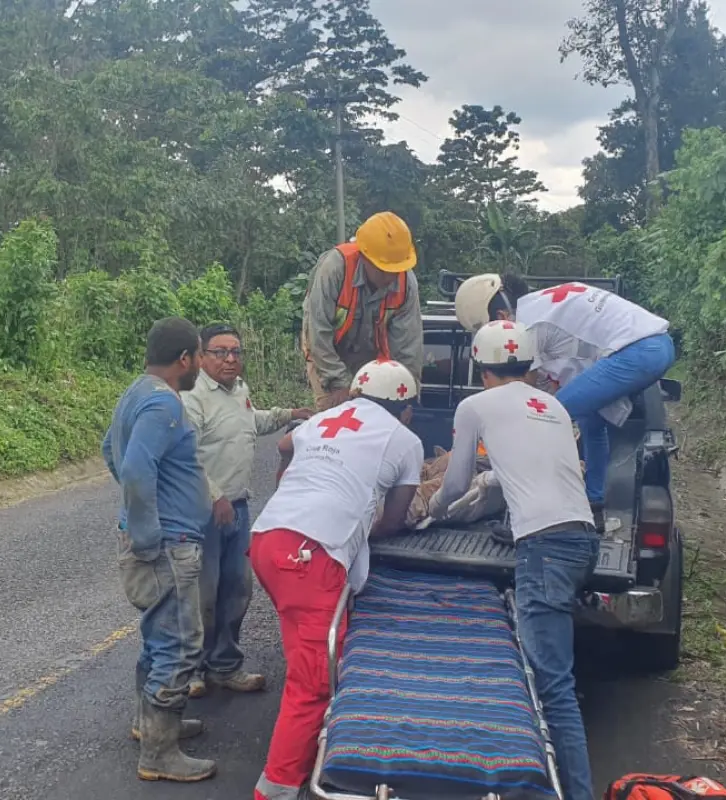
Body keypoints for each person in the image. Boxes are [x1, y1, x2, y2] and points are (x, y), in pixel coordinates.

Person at [427, 320, 598, 800]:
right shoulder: (555, 406)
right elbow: (529, 470)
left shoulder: (475, 405)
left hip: (544, 548)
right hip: (582, 539)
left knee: (555, 689)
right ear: (526, 364)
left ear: (481, 367)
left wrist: (430, 515)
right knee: (552, 670)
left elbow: (457, 483)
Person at [249, 358, 424, 800]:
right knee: (314, 682)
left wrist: (286, 481)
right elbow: (394, 521)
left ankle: (309, 750)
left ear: (357, 396)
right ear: (406, 409)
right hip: (311, 553)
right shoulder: (405, 440)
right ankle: (278, 788)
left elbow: (286, 442)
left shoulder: (326, 417)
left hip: (269, 539)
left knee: (305, 654)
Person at [453, 274, 675, 532]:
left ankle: (518, 517)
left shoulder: (525, 328)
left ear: (502, 316)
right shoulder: (538, 305)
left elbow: (520, 390)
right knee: (591, 422)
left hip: (638, 351)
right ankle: (595, 502)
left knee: (542, 420)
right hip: (655, 345)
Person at [101, 316, 215, 784]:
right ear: (185, 358)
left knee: (156, 636)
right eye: (200, 356)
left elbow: (111, 449)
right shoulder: (163, 405)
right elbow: (132, 467)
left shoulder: (136, 392)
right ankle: (159, 751)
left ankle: (148, 724)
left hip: (159, 537)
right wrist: (148, 531)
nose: (201, 367)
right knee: (180, 643)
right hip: (167, 543)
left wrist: (140, 512)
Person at [180, 323, 313, 699]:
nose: (230, 359)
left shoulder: (239, 391)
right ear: (202, 356)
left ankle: (224, 665)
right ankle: (189, 671)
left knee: (237, 589)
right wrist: (215, 497)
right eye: (220, 352)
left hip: (237, 507)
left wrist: (289, 414)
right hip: (202, 512)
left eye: (236, 352)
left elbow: (248, 423)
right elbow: (185, 457)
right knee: (199, 595)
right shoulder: (192, 397)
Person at [302, 211, 425, 411]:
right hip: (328, 353)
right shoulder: (334, 269)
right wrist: (338, 384)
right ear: (364, 257)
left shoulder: (406, 283)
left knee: (380, 415)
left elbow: (408, 349)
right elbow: (317, 332)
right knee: (334, 417)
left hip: (372, 357)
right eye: (384, 269)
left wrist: (409, 397)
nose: (391, 276)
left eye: (396, 270)